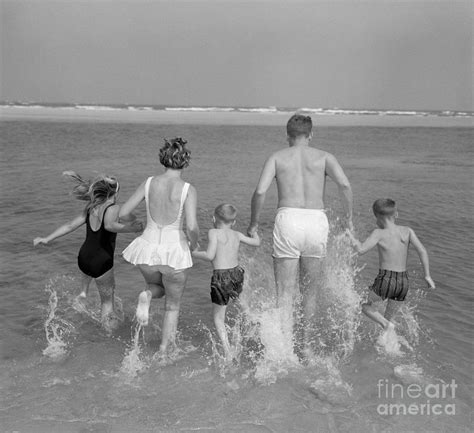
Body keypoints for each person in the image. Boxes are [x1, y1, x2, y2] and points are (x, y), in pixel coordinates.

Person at [247, 114, 353, 346]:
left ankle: (284, 349)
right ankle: (304, 345)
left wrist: (254, 224)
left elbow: (260, 192)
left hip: (289, 220)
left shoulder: (277, 157)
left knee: (284, 293)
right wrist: (349, 221)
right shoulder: (325, 157)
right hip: (317, 221)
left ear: (288, 135)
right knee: (310, 292)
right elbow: (345, 185)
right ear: (311, 134)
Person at [33, 171, 143, 332]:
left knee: (90, 270)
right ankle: (109, 335)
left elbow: (70, 225)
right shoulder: (113, 208)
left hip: (84, 258)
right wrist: (133, 229)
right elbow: (110, 226)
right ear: (116, 192)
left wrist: (47, 238)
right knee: (107, 302)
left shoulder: (92, 207)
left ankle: (83, 293)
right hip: (101, 261)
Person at [119, 137, 199, 355]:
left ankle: (147, 295)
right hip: (174, 251)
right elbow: (191, 226)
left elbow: (123, 212)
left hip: (147, 247)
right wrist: (194, 244)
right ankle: (164, 350)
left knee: (159, 289)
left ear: (163, 159)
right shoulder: (187, 189)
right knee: (172, 306)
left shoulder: (148, 183)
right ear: (185, 161)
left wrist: (135, 225)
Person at [347, 198, 435, 334]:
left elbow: (361, 250)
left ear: (376, 217)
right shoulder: (407, 231)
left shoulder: (378, 233)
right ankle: (384, 344)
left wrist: (350, 235)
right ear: (396, 214)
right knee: (389, 318)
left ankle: (385, 325)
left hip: (386, 279)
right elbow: (422, 250)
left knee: (363, 305)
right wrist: (427, 276)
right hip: (403, 282)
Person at [192, 204, 261, 360]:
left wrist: (195, 253)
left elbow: (210, 256)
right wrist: (254, 232)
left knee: (218, 318)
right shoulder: (236, 234)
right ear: (234, 222)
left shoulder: (213, 232)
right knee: (241, 303)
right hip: (237, 274)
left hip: (221, 277)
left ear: (213, 218)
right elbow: (256, 243)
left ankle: (228, 350)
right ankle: (254, 328)